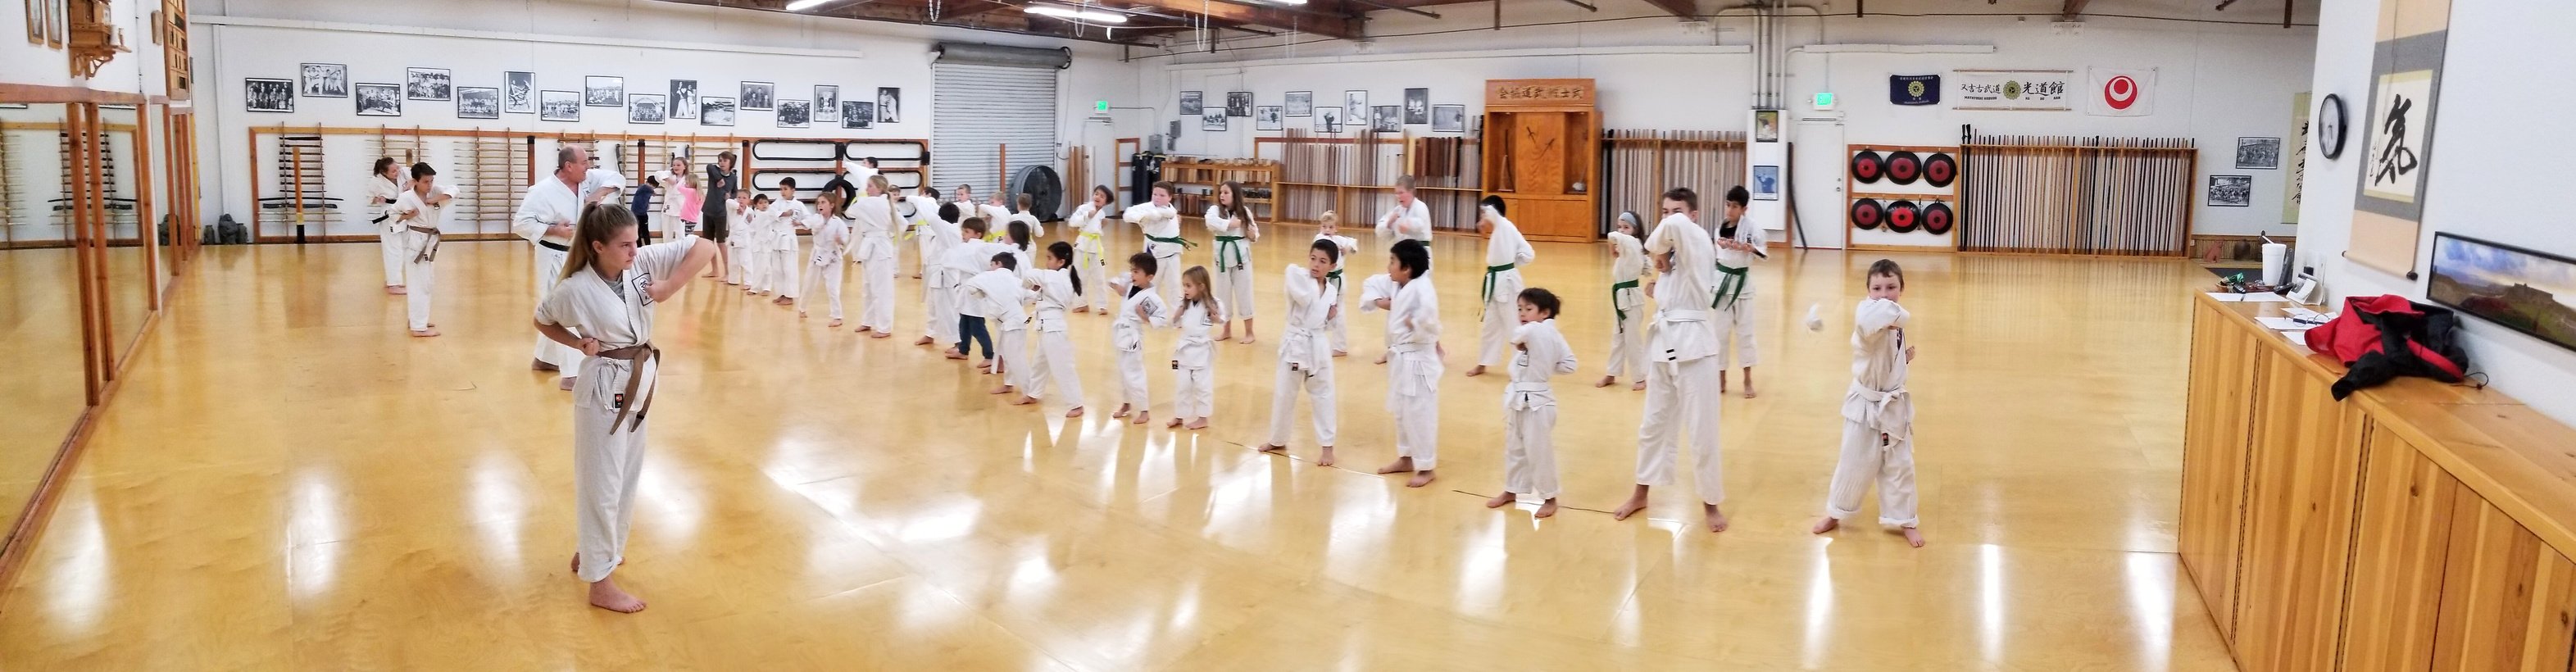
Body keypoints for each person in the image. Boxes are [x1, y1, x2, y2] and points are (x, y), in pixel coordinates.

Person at [534, 203, 716, 614]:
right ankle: (600, 583)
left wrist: (672, 286)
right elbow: (543, 320)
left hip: (641, 376)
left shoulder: (642, 262)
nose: (636, 251)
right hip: (603, 384)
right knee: (602, 482)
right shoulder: (575, 288)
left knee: (628, 474)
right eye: (625, 245)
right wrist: (577, 343)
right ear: (598, 246)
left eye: (637, 242)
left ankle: (599, 552)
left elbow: (705, 246)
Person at [1613, 188, 1729, 533]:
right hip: (1664, 344)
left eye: (1676, 210)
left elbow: (1673, 229)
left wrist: (1658, 251)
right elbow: (1671, 288)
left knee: (1701, 430)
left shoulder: (1699, 243)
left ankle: (1711, 503)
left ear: (1693, 215)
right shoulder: (1672, 254)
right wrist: (1659, 287)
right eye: (1663, 210)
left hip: (1696, 349)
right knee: (1652, 425)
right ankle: (1641, 492)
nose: (1668, 217)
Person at [1813, 260, 1924, 547]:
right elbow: (1881, 318)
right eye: (1877, 288)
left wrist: (1903, 359)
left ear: (1902, 288)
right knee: (1854, 462)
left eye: (1891, 288)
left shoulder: (1894, 322)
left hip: (1893, 405)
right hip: (1865, 406)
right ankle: (1835, 514)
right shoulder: (1867, 317)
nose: (1884, 294)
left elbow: (1887, 357)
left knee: (1901, 465)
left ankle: (1906, 520)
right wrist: (1891, 309)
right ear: (1867, 291)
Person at [1488, 288, 1577, 518]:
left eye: (1528, 309)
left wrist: (1537, 359)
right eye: (1519, 309)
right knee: (1514, 448)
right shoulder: (1552, 335)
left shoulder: (1535, 330)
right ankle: (1512, 489)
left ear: (1545, 313)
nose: (1522, 314)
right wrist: (1544, 363)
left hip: (1538, 403)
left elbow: (1516, 336)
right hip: (1519, 399)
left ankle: (1550, 497)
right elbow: (1568, 364)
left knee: (1539, 452)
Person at [512, 146, 594, 391]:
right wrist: (554, 230)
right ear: (568, 166)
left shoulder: (587, 184)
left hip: (580, 253)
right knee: (564, 308)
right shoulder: (541, 191)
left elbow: (616, 180)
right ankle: (571, 374)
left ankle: (545, 359)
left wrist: (602, 192)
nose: (588, 166)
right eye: (583, 162)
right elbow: (521, 223)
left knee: (563, 306)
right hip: (553, 255)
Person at [1257, 239, 1343, 467]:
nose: (1316, 264)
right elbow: (1304, 298)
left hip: (1317, 344)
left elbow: (1326, 322)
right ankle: (1277, 440)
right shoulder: (1296, 276)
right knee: (1284, 393)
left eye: (1323, 261)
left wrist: (1331, 318)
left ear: (1333, 266)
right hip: (1295, 344)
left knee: (1324, 395)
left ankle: (1327, 447)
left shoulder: (1332, 290)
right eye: (1313, 258)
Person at [1375, 238, 1444, 488]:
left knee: (1420, 413)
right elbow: (1375, 285)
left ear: (1407, 268)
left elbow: (1431, 321)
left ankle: (1426, 467)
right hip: (1402, 357)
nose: (1388, 266)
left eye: (1393, 261)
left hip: (1418, 360)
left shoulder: (1423, 289)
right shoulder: (1402, 284)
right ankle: (1406, 457)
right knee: (1403, 411)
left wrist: (1415, 325)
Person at [1465, 196, 1535, 377]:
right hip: (1496, 281)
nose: (1482, 218)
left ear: (1492, 212)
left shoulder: (1505, 226)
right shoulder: (1500, 230)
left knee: (1514, 324)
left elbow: (1528, 254)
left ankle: (1521, 368)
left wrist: (1510, 266)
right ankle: (1483, 362)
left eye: (1484, 213)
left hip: (1508, 283)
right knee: (1491, 325)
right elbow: (1527, 254)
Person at [388, 162, 454, 337]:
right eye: (426, 181)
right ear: (415, 181)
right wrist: (408, 216)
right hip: (416, 244)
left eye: (432, 180)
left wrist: (434, 199)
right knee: (420, 284)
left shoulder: (435, 192)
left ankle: (417, 319)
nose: (430, 185)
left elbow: (455, 190)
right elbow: (392, 216)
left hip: (430, 242)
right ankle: (418, 327)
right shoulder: (406, 198)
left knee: (426, 283)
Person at [1713, 185, 1767, 397]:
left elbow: (1762, 250)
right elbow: (1716, 254)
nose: (1730, 210)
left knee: (1745, 333)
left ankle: (1747, 379)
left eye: (1735, 206)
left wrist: (1750, 248)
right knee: (1720, 333)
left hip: (1742, 285)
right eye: (1728, 205)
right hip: (1721, 282)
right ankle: (1721, 378)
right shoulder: (1720, 226)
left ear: (1744, 208)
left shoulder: (1752, 227)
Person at [1024, 242, 1088, 415]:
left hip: (1054, 328)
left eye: (1049, 258)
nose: (1047, 262)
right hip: (1046, 326)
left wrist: (1031, 283)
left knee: (1063, 366)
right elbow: (1036, 294)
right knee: (1040, 363)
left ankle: (1076, 404)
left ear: (1061, 262)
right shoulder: (1057, 278)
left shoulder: (1057, 277)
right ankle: (1033, 393)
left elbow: (1030, 274)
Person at [1107, 252, 1170, 425]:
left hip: (1132, 337)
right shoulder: (1131, 285)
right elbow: (1117, 284)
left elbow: (1163, 319)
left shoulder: (1151, 298)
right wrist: (1116, 285)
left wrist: (1145, 318)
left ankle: (1144, 410)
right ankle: (1126, 404)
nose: (1132, 275)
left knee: (1134, 373)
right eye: (1132, 271)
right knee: (1122, 371)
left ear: (1149, 277)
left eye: (1136, 273)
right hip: (1120, 334)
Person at [965, 253, 1034, 399]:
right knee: (1007, 354)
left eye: (992, 264)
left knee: (1017, 358)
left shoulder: (988, 276)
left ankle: (1030, 392)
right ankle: (1009, 384)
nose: (991, 267)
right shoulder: (1017, 281)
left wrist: (982, 295)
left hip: (1012, 323)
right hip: (1012, 322)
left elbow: (970, 285)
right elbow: (1030, 296)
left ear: (998, 264)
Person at [1598, 211, 1649, 391]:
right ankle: (1612, 373)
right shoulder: (1629, 246)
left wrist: (1613, 243)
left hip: (1631, 298)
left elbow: (1611, 236)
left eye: (1626, 227)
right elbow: (1647, 269)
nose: (1621, 230)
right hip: (1621, 296)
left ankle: (1640, 377)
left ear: (1635, 230)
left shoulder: (1631, 242)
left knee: (1632, 339)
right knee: (1617, 336)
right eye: (1620, 226)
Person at [1205, 181, 1260, 344]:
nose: (1222, 195)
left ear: (1235, 194)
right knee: (1222, 295)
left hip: (1242, 258)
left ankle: (1249, 332)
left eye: (1226, 192)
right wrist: (1230, 224)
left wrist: (1252, 235)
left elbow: (1255, 234)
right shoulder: (1215, 210)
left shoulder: (1244, 211)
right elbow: (1209, 222)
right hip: (1221, 259)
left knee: (1245, 294)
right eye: (1221, 192)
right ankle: (1226, 330)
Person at [1169, 266, 1223, 430]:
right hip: (1185, 349)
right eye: (1184, 285)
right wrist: (1177, 314)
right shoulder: (1183, 304)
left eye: (1188, 286)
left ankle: (1203, 418)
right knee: (1182, 385)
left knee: (1202, 386)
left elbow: (1221, 320)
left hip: (1202, 350)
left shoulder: (1213, 303)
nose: (1185, 289)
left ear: (1201, 286)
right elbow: (1174, 322)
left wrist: (1216, 317)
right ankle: (1179, 416)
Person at [943, 217, 1001, 366]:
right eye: (963, 231)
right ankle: (963, 350)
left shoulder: (979, 247)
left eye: (967, 232)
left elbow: (950, 260)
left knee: (977, 325)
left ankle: (989, 355)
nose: (963, 234)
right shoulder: (968, 247)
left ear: (978, 234)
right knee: (964, 323)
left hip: (976, 290)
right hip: (966, 288)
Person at [847, 175, 900, 336]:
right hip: (873, 245)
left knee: (881, 289)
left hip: (880, 248)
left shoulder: (871, 202)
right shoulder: (885, 203)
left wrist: (883, 234)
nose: (866, 189)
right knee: (868, 287)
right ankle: (867, 321)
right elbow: (901, 224)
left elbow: (850, 211)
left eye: (870, 186)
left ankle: (884, 327)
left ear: (879, 188)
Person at [910, 188, 961, 347]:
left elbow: (932, 217)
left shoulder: (949, 230)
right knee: (933, 306)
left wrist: (923, 200)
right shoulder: (946, 230)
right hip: (936, 274)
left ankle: (958, 342)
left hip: (944, 276)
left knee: (948, 308)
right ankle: (930, 333)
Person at [1123, 182, 1188, 306]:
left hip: (1173, 252)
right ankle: (1147, 312)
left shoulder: (1171, 210)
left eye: (1162, 195)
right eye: (1155, 194)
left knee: (1174, 285)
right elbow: (1127, 215)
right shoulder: (1147, 208)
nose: (1157, 197)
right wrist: (1144, 217)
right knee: (1152, 284)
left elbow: (1170, 217)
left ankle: (1178, 316)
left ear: (1170, 197)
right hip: (1155, 252)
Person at [797, 190, 852, 327]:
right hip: (817, 254)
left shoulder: (838, 222)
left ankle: (837, 316)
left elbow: (846, 238)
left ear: (832, 205)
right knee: (809, 283)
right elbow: (807, 223)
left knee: (833, 287)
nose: (820, 205)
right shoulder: (816, 218)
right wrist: (799, 223)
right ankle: (802, 307)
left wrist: (841, 240)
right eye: (819, 203)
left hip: (833, 256)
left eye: (823, 202)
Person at [1312, 211, 1359, 356]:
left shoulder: (1339, 240)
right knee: (1318, 309)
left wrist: (1347, 248)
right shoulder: (1319, 239)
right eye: (1324, 226)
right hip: (1322, 280)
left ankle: (1340, 346)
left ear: (1336, 228)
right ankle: (1316, 341)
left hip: (1337, 281)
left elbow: (1353, 242)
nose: (1327, 230)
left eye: (1331, 227)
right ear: (1320, 227)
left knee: (1338, 312)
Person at [1067, 186, 1115, 315]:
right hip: (1082, 245)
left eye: (1102, 196)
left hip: (1097, 248)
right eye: (1096, 194)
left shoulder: (1102, 213)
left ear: (1106, 202)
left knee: (1100, 277)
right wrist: (1086, 216)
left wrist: (1102, 224)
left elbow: (1097, 227)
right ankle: (1081, 304)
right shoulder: (1084, 208)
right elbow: (1072, 222)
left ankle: (1102, 305)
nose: (1097, 197)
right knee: (1079, 276)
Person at [366, 157, 409, 295]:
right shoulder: (376, 181)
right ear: (384, 173)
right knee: (393, 250)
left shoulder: (404, 172)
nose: (397, 171)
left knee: (402, 249)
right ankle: (394, 284)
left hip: (403, 213)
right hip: (389, 215)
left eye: (397, 168)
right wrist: (377, 199)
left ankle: (391, 279)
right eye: (393, 171)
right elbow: (369, 198)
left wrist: (412, 183)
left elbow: (417, 175)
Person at [766, 179, 813, 306]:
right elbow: (770, 212)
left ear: (793, 190)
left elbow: (809, 218)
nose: (782, 192)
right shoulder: (777, 203)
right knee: (777, 268)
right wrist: (784, 213)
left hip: (788, 239)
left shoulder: (799, 205)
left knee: (789, 268)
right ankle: (782, 293)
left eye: (785, 189)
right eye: (781, 189)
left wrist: (800, 223)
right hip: (777, 238)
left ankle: (790, 296)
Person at [699, 151, 738, 280]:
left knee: (721, 242)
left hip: (721, 213)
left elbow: (735, 192)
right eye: (720, 160)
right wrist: (720, 179)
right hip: (708, 210)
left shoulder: (733, 177)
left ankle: (728, 272)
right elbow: (709, 166)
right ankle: (714, 270)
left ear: (731, 163)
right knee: (709, 243)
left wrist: (731, 197)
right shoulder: (714, 171)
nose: (721, 163)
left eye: (725, 161)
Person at [1374, 175, 1433, 247]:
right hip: (1401, 252)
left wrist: (1408, 225)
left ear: (1411, 192)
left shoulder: (1421, 207)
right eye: (1396, 193)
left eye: (1401, 193)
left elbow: (1420, 225)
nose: (1398, 196)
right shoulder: (1398, 210)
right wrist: (1389, 223)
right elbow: (1380, 232)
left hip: (1419, 252)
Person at [629, 175, 660, 242]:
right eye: (650, 184)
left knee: (645, 230)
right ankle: (639, 247)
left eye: (653, 186)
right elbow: (649, 189)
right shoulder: (643, 187)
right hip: (636, 213)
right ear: (646, 182)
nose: (651, 186)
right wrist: (653, 191)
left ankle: (648, 245)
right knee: (637, 231)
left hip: (643, 213)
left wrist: (648, 204)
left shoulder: (648, 190)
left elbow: (647, 197)